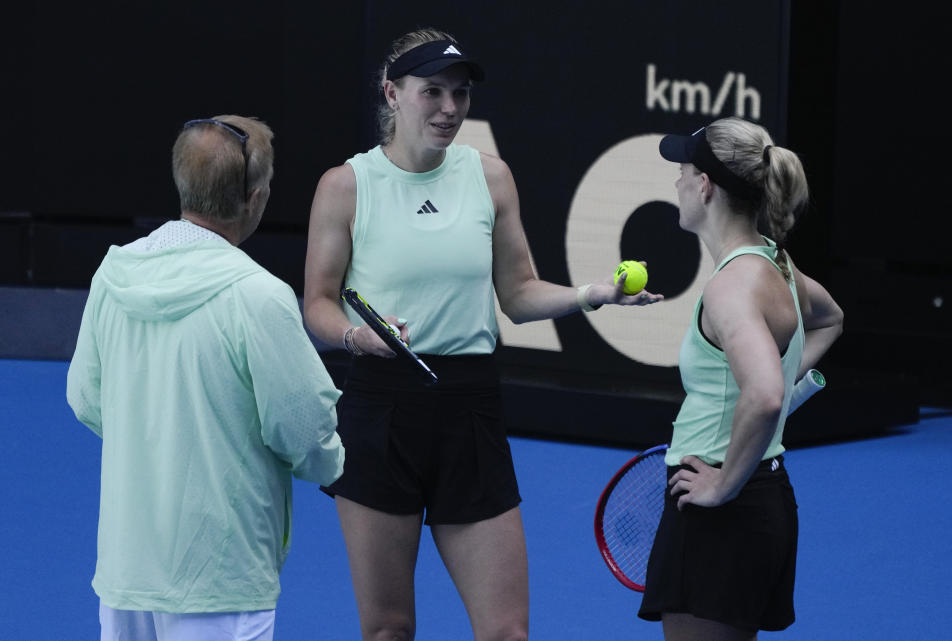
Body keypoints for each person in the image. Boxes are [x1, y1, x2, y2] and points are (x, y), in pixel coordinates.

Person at [303, 28, 663, 641]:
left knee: (507, 632)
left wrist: (589, 295)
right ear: (392, 93)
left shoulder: (490, 177)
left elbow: (519, 295)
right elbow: (317, 303)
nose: (450, 110)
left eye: (461, 94)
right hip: (379, 411)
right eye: (433, 92)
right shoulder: (347, 185)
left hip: (469, 409)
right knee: (388, 630)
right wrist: (357, 338)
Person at [66, 115, 345, 641]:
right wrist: (334, 463)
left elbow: (85, 398)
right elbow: (303, 427)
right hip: (221, 577)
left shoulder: (113, 275)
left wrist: (153, 439)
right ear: (256, 197)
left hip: (127, 571)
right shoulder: (259, 297)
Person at [637, 117, 845, 640]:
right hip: (766, 496)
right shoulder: (777, 263)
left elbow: (767, 395)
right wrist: (766, 381)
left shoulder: (730, 288)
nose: (677, 182)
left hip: (720, 509)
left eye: (682, 170)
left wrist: (721, 485)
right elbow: (830, 318)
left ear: (704, 186)